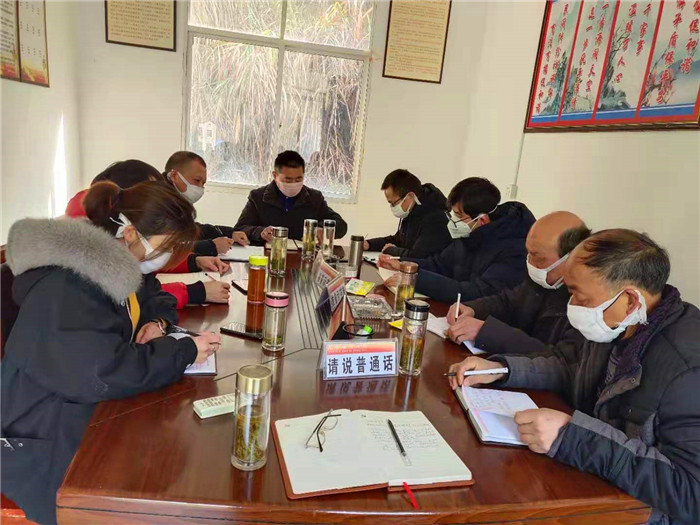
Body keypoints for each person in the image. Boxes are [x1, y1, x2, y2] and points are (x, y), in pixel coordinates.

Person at [2, 181, 222, 525]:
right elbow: (101, 373)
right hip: (40, 436)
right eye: (167, 248)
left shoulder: (118, 265)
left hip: (81, 409)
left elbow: (155, 295)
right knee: (144, 486)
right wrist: (181, 351)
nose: (168, 258)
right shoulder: (70, 284)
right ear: (131, 233)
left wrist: (158, 323)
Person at [448, 230, 700, 524]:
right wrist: (501, 370)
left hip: (633, 512)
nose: (573, 307)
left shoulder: (687, 370)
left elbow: (691, 494)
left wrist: (572, 437)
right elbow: (568, 366)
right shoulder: (619, 323)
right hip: (591, 480)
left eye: (581, 297)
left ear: (630, 300)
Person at [65, 160, 231, 307]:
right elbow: (136, 298)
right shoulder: (84, 267)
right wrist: (193, 292)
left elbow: (150, 254)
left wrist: (194, 261)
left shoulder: (122, 240)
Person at [446, 211, 591, 353]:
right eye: (528, 253)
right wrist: (473, 308)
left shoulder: (587, 303)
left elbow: (557, 359)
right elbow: (507, 302)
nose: (530, 263)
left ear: (571, 258)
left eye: (538, 258)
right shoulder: (543, 280)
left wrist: (485, 332)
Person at [380, 177, 535, 303]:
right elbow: (438, 264)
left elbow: (477, 293)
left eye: (459, 216)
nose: (453, 221)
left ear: (482, 220)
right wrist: (403, 265)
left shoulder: (514, 249)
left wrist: (414, 279)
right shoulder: (469, 235)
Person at [234, 150, 348, 244]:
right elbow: (240, 228)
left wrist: (322, 229)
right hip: (267, 255)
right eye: (288, 179)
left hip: (302, 257)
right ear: (275, 176)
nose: (293, 183)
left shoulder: (314, 198)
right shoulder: (258, 197)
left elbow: (341, 225)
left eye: (298, 179)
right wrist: (260, 232)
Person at [164, 151, 249, 256]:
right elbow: (166, 248)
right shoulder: (157, 203)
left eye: (203, 183)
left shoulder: (178, 201)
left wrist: (230, 233)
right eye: (197, 180)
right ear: (174, 176)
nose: (200, 187)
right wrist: (211, 246)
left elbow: (191, 230)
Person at [364, 169, 451, 258]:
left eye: (393, 203)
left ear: (410, 196)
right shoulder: (412, 211)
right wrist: (369, 244)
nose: (392, 207)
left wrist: (391, 250)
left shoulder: (435, 218)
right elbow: (398, 240)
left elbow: (418, 256)